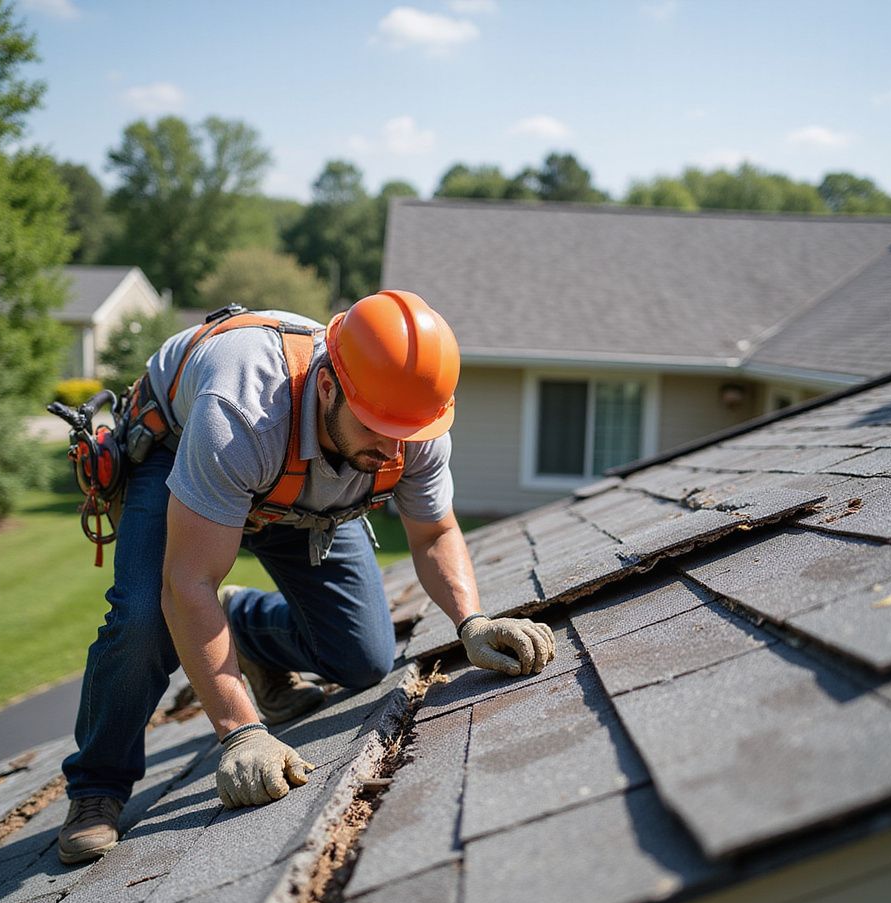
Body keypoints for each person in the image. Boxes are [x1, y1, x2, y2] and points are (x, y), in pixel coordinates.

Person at [57, 290, 555, 864]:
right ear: (326, 387)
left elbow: (434, 534)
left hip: (299, 484)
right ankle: (97, 787)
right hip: (183, 449)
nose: (394, 450)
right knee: (149, 614)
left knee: (363, 658)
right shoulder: (239, 411)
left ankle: (241, 625)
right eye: (377, 428)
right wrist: (240, 731)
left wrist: (471, 621)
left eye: (407, 433)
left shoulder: (409, 420)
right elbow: (188, 583)